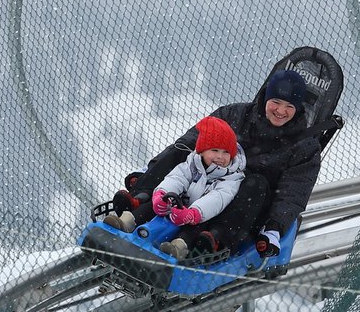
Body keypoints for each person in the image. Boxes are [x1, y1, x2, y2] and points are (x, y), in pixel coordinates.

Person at [123, 53, 340, 260]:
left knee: (255, 182)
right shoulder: (235, 116)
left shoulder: (304, 147)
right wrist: (155, 168)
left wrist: (274, 226)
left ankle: (216, 239)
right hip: (204, 185)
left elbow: (293, 194)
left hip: (247, 209)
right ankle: (140, 197)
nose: (281, 111)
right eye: (276, 102)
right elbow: (193, 140)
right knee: (183, 150)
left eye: (289, 106)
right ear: (265, 97)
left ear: (298, 108)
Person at [104, 116, 246, 259]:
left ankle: (178, 247)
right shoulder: (191, 165)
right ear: (202, 151)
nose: (220, 157)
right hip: (177, 206)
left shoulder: (231, 178)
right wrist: (161, 194)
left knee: (196, 228)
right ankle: (126, 221)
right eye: (215, 150)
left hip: (201, 216)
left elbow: (217, 199)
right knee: (151, 207)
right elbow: (176, 178)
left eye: (226, 152)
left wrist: (193, 214)